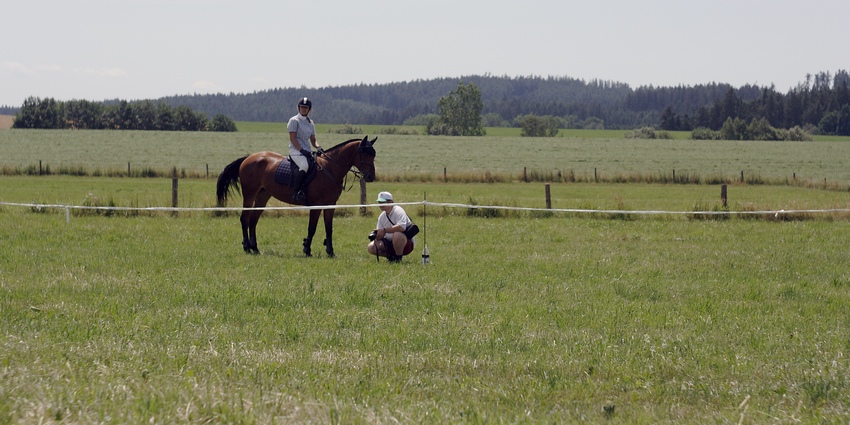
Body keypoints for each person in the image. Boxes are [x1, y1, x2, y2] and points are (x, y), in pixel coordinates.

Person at [287, 97, 323, 203]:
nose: (303, 109)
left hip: (307, 150)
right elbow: (292, 138)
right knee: (304, 166)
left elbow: (313, 139)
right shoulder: (294, 120)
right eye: (302, 107)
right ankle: (296, 192)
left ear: (309, 109)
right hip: (295, 150)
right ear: (298, 108)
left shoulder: (311, 123)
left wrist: (318, 147)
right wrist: (301, 150)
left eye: (306, 107)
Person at [367, 191, 415, 263]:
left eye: (383, 202)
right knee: (371, 246)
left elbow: (401, 227)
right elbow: (381, 233)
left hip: (406, 244)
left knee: (397, 235)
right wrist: (378, 235)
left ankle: (398, 258)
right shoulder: (382, 216)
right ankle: (391, 257)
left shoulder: (398, 210)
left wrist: (384, 230)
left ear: (390, 202)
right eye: (379, 202)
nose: (381, 205)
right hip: (389, 243)